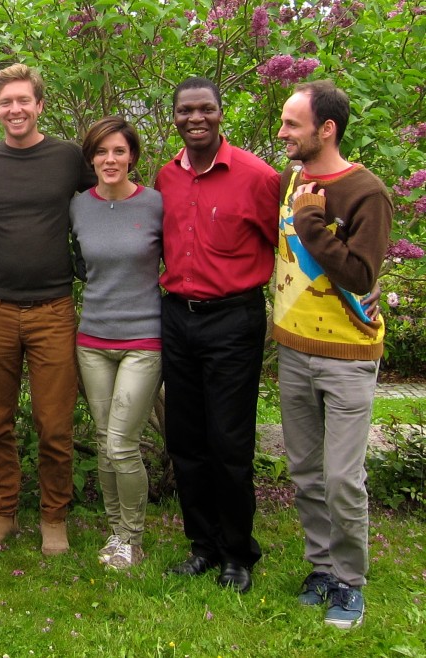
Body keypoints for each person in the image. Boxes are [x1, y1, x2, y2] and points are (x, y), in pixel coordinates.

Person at [274, 79, 392, 628]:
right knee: (305, 471)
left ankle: (350, 583)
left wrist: (310, 224)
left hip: (347, 356)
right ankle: (320, 567)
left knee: (343, 478)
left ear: (327, 129)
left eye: (292, 123)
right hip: (294, 350)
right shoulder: (294, 180)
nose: (282, 132)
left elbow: (362, 274)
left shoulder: (365, 191)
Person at [157, 77, 280, 594]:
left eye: (205, 109)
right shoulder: (166, 177)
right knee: (186, 440)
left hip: (233, 319)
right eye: (186, 111)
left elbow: (292, 245)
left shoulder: (258, 176)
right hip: (176, 316)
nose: (195, 118)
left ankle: (237, 552)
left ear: (220, 113)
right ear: (176, 117)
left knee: (229, 441)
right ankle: (202, 545)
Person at [0, 63, 92, 555]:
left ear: (40, 105)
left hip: (53, 309)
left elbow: (104, 203)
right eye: (5, 103)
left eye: (24, 101)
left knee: (54, 423)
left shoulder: (67, 158)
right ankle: (3, 514)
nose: (14, 109)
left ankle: (53, 517)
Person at [70, 117, 163, 570]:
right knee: (106, 440)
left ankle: (132, 537)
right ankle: (115, 532)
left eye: (119, 152)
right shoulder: (78, 207)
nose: (110, 160)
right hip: (92, 339)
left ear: (133, 158)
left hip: (143, 339)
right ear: (91, 158)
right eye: (102, 152)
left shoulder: (155, 205)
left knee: (123, 442)